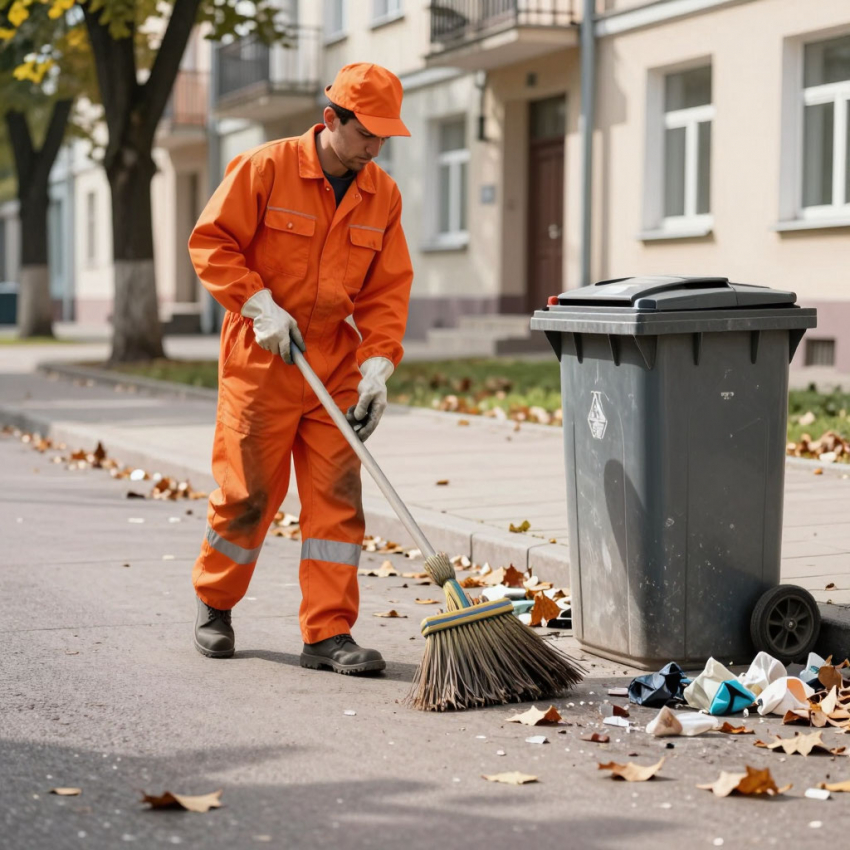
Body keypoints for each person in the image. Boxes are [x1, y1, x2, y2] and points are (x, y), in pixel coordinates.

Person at [187, 63, 413, 674]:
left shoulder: (382, 195)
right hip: (262, 358)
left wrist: (375, 368)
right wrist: (257, 303)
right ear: (331, 119)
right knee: (247, 497)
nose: (375, 148)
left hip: (333, 365)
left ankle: (328, 633)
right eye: (366, 133)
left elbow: (386, 292)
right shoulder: (266, 167)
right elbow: (211, 242)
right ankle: (215, 603)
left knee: (337, 501)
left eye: (384, 138)